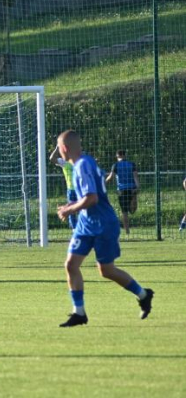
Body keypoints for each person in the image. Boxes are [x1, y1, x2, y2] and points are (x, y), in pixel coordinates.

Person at [55, 130, 154, 328]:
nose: (58, 151)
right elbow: (91, 195)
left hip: (102, 224)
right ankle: (79, 312)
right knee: (71, 265)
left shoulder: (82, 166)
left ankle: (143, 294)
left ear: (64, 148)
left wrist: (69, 210)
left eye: (58, 148)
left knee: (106, 270)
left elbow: (92, 198)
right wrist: (72, 205)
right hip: (86, 223)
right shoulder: (86, 161)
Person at [105, 150, 140, 235]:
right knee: (132, 210)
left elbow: (111, 177)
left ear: (118, 156)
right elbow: (135, 176)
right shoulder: (132, 164)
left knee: (124, 212)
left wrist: (103, 182)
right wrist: (138, 186)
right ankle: (134, 199)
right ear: (125, 155)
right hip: (131, 189)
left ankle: (127, 231)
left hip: (121, 190)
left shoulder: (116, 165)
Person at [50, 145, 78, 230]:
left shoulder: (79, 162)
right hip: (71, 190)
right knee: (71, 210)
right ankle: (74, 229)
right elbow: (52, 159)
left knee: (83, 210)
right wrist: (57, 149)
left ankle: (82, 228)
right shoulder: (64, 162)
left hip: (80, 190)